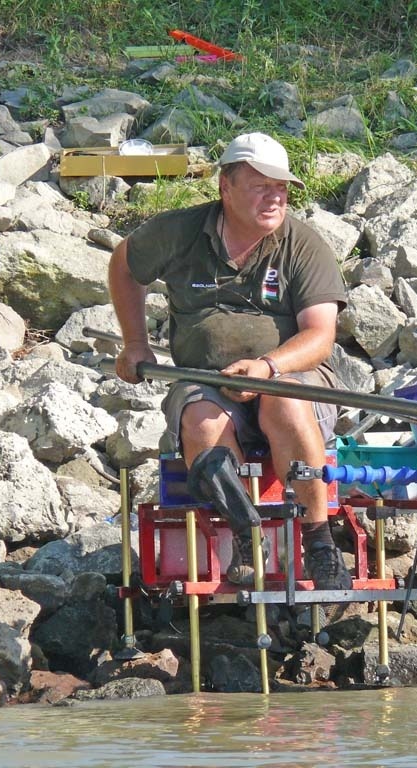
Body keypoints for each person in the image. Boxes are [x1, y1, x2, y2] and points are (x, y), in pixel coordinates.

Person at [109, 131, 353, 592]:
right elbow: (124, 264)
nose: (274, 196)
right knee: (201, 423)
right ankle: (246, 536)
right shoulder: (179, 232)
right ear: (226, 186)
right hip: (202, 380)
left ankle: (320, 541)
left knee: (285, 403)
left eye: (281, 187)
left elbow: (320, 335)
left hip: (287, 376)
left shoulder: (303, 245)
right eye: (261, 185)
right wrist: (135, 343)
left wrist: (266, 369)